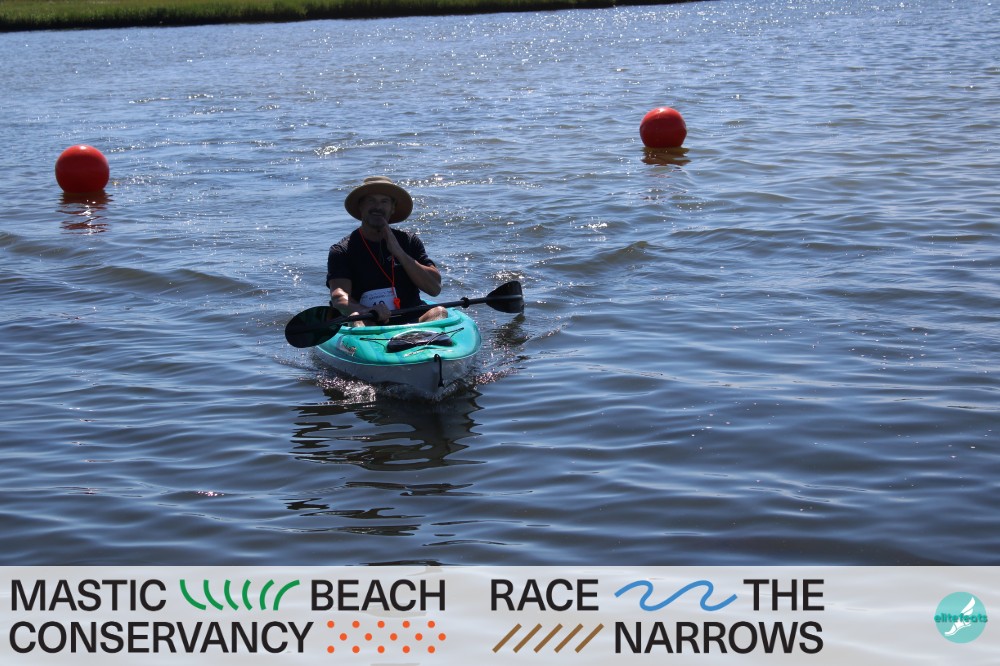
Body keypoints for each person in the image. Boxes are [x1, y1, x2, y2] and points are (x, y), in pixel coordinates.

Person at [326, 176, 447, 325]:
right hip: (370, 321)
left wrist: (399, 253)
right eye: (371, 200)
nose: (378, 207)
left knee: (439, 312)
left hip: (413, 320)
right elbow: (339, 298)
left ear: (392, 209)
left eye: (384, 201)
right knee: (357, 320)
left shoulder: (409, 241)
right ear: (361, 206)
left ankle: (423, 338)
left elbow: (435, 288)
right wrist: (367, 311)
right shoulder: (341, 250)